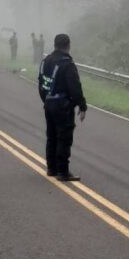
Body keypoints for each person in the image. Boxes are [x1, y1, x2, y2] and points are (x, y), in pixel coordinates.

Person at [38, 34, 87, 181]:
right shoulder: (67, 63)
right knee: (64, 138)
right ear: (68, 46)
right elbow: (75, 88)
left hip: (48, 102)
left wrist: (45, 100)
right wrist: (82, 105)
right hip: (62, 105)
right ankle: (63, 171)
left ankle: (51, 168)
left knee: (51, 136)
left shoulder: (45, 61)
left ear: (55, 45)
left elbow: (41, 83)